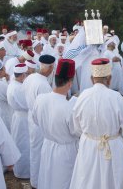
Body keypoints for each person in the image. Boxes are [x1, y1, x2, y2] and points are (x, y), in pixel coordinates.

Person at [69, 58, 123, 189]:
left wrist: (89, 134)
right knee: (113, 178)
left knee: (87, 177)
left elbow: (76, 126)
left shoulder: (82, 96)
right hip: (112, 144)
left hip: (89, 144)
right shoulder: (116, 97)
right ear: (109, 79)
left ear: (92, 78)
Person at [32, 59, 79, 189]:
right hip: (65, 151)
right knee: (63, 181)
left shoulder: (40, 99)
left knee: (47, 178)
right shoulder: (69, 108)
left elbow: (36, 120)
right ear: (70, 83)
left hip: (47, 145)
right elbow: (76, 132)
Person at [25, 54, 55, 188]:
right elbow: (47, 109)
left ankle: (35, 180)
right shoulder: (44, 85)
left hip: (31, 116)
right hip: (39, 122)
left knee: (34, 150)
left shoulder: (31, 77)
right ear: (51, 68)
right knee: (40, 152)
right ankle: (37, 182)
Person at [7, 63, 31, 179]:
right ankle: (24, 172)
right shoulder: (18, 88)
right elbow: (27, 104)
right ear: (22, 76)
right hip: (23, 119)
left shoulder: (13, 84)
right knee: (24, 145)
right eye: (26, 75)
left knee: (19, 143)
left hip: (18, 117)